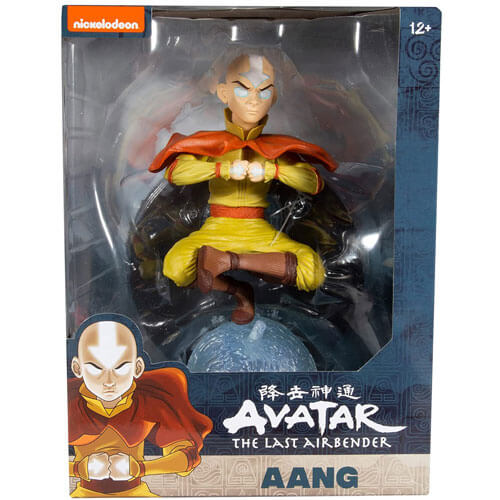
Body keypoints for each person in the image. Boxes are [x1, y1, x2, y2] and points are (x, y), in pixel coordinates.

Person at [150, 54, 338, 324]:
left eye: (264, 92)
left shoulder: (276, 149)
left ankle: (231, 261)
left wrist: (272, 171)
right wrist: (221, 169)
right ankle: (239, 289)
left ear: (273, 97)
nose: (253, 100)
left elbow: (313, 182)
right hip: (217, 227)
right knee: (175, 267)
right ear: (224, 93)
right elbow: (176, 173)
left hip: (259, 230)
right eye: (243, 89)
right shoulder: (211, 144)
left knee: (313, 272)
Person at [68, 318, 212, 497]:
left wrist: (140, 468)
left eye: (120, 367)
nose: (109, 381)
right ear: (77, 368)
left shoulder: (150, 399)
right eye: (96, 368)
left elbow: (187, 457)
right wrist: (80, 468)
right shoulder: (68, 402)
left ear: (137, 368)